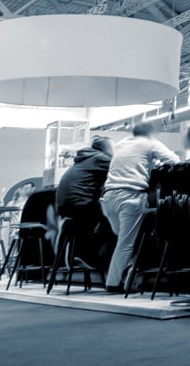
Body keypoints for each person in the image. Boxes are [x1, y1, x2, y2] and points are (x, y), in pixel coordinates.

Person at [100, 123, 178, 293]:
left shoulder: (121, 144)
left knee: (121, 239)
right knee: (126, 244)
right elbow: (175, 161)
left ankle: (128, 271)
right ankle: (113, 283)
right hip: (130, 196)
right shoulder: (150, 143)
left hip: (108, 198)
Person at [56, 137, 114, 268]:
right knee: (110, 224)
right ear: (107, 148)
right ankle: (89, 257)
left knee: (97, 219)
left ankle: (73, 254)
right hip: (79, 204)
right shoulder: (101, 158)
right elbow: (120, 170)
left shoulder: (86, 159)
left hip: (64, 206)